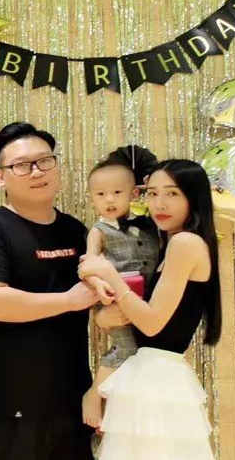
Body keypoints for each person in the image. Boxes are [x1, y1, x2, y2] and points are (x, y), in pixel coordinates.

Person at [0, 122, 99, 460]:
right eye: (21, 165)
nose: (37, 171)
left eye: (45, 161)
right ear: (1, 177)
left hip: (72, 398)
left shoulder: (76, 231)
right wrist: (69, 300)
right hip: (9, 402)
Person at [78, 159, 222, 460]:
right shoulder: (165, 243)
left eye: (172, 193)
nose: (159, 203)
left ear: (193, 197)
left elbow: (153, 323)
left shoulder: (185, 242)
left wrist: (109, 274)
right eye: (153, 193)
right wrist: (104, 316)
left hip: (156, 377)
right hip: (149, 373)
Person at [79, 145, 161, 431]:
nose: (109, 200)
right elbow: (88, 265)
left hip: (151, 300)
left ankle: (127, 408)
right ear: (92, 199)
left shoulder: (152, 225)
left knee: (147, 353)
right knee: (125, 347)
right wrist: (99, 284)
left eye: (117, 192)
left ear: (134, 193)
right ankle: (94, 393)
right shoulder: (99, 230)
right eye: (100, 194)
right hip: (117, 298)